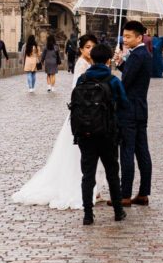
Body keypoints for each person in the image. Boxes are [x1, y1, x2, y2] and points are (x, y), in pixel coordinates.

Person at [12, 33, 105, 210]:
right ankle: (85, 188)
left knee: (86, 154)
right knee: (80, 154)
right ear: (81, 49)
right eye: (87, 47)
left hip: (89, 113)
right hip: (84, 114)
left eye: (93, 47)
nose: (90, 50)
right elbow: (78, 89)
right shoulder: (82, 64)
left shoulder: (91, 64)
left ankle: (93, 188)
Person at [73, 43, 129, 225]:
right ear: (107, 60)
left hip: (85, 133)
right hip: (107, 133)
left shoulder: (82, 79)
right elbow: (124, 104)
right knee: (112, 172)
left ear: (92, 58)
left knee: (87, 174)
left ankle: (88, 214)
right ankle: (118, 211)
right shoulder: (113, 81)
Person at [112, 20, 153, 207]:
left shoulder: (137, 55)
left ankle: (124, 195)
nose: (125, 39)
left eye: (128, 36)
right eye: (124, 36)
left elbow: (126, 82)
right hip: (141, 109)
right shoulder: (144, 53)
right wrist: (121, 63)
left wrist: (120, 68)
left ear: (139, 37)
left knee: (127, 151)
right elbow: (132, 76)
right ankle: (144, 193)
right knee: (142, 151)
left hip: (128, 110)